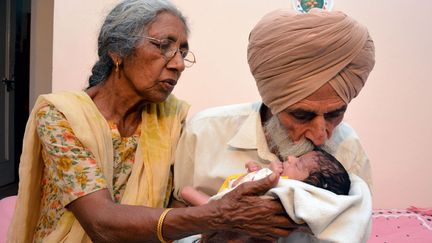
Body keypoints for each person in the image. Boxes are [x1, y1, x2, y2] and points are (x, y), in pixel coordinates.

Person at [8, 1, 295, 242]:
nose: (178, 63)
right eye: (163, 46)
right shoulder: (61, 115)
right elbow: (101, 223)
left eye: (182, 52)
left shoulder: (171, 118)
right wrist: (221, 214)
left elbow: (177, 203)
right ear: (118, 51)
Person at [174, 8, 375, 243]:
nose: (320, 137)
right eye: (301, 115)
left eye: (335, 113)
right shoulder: (205, 131)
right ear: (272, 102)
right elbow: (178, 213)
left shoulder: (348, 147)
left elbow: (354, 230)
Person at [180, 147, 351, 207]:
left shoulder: (287, 190)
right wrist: (254, 171)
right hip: (225, 194)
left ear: (308, 185)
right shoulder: (278, 179)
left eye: (298, 164)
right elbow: (252, 182)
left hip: (219, 206)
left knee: (186, 192)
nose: (291, 158)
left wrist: (267, 173)